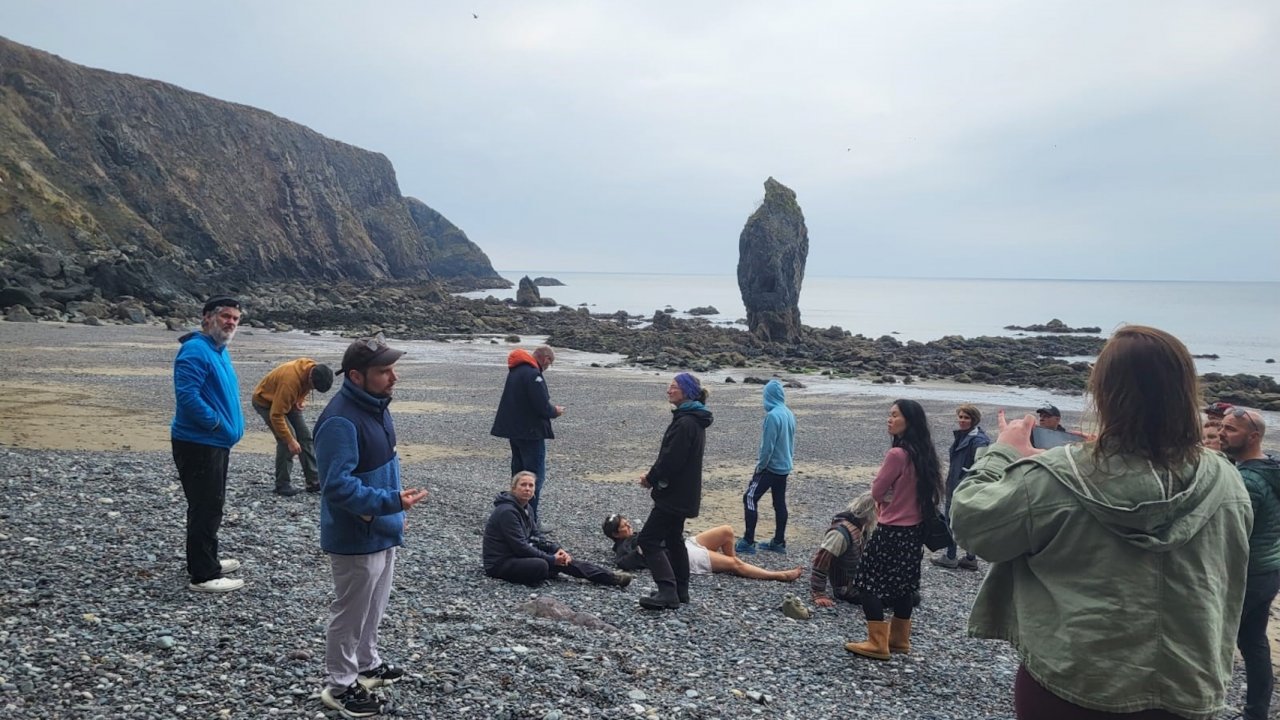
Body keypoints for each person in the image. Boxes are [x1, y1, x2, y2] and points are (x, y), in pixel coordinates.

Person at [952, 325, 1253, 719]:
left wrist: (1003, 454)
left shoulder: (1057, 476)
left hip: (1074, 682)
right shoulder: (1226, 478)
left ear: (1104, 393)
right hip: (1188, 683)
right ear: (1185, 392)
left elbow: (973, 523)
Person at [314, 336, 430, 718]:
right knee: (350, 611)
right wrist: (391, 504)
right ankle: (340, 684)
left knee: (375, 604)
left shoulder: (377, 407)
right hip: (354, 535)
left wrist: (396, 511)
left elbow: (387, 468)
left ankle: (367, 662)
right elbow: (336, 486)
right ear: (356, 376)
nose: (393, 377)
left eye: (392, 369)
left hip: (382, 528)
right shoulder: (339, 419)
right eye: (384, 371)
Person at [845, 399, 943, 660]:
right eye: (889, 415)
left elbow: (877, 491)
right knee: (904, 585)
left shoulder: (897, 454)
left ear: (909, 421)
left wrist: (885, 494)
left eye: (895, 415)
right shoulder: (924, 453)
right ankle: (900, 639)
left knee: (867, 582)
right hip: (915, 531)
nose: (889, 419)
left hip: (891, 529)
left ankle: (877, 642)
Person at [171, 296, 246, 593]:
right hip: (199, 442)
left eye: (235, 319)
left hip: (213, 442)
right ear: (207, 318)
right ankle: (203, 574)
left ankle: (206, 559)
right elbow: (187, 396)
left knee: (209, 504)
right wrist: (216, 424)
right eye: (225, 316)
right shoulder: (195, 351)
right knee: (207, 506)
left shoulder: (218, 350)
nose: (230, 322)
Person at [1218, 407, 1280, 720]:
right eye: (1222, 427)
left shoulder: (1247, 480)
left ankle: (1204, 706)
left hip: (1248, 575)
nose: (1221, 433)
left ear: (1253, 437)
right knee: (1253, 641)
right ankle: (1256, 713)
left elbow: (1231, 536)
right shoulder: (1272, 466)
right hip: (1270, 570)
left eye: (1231, 429)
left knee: (1215, 639)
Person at [636, 372, 713, 610]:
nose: (669, 391)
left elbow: (671, 459)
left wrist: (651, 478)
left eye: (673, 387)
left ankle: (667, 590)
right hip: (684, 493)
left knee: (648, 539)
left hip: (674, 494)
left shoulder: (686, 422)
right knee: (673, 539)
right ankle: (681, 590)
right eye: (669, 386)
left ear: (687, 392)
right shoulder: (691, 419)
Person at [484, 471, 632, 588]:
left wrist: (556, 550)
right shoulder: (507, 511)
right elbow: (519, 546)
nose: (527, 489)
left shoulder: (526, 507)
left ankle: (609, 577)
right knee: (541, 565)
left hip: (519, 555)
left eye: (531, 485)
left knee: (562, 560)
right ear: (514, 488)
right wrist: (550, 559)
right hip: (501, 562)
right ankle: (549, 569)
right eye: (523, 485)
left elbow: (536, 535)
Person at [490, 346, 564, 533]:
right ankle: (531, 521)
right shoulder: (533, 374)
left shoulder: (517, 370)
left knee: (519, 474)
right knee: (533, 478)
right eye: (550, 363)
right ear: (545, 359)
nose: (549, 367)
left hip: (515, 430)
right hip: (530, 432)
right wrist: (554, 411)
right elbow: (541, 405)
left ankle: (513, 517)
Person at [603, 514, 802, 582]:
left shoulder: (631, 536)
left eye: (628, 523)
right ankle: (778, 575)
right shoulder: (624, 546)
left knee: (727, 531)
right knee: (732, 563)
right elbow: (622, 562)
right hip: (682, 556)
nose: (630, 526)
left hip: (683, 544)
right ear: (616, 535)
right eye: (625, 527)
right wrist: (642, 549)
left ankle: (737, 566)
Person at [251, 358, 334, 496]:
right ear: (310, 378)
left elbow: (304, 387)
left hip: (287, 401)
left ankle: (313, 481)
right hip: (265, 402)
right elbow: (276, 415)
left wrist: (301, 399)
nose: (312, 389)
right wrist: (290, 440)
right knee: (286, 441)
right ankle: (282, 484)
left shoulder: (312, 369)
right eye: (313, 387)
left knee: (305, 437)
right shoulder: (289, 382)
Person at [736, 379, 797, 555]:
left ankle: (748, 541)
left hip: (771, 467)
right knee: (779, 503)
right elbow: (791, 442)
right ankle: (778, 541)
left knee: (749, 497)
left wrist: (760, 467)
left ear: (768, 396)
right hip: (785, 467)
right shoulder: (788, 413)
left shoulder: (772, 416)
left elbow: (767, 447)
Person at [932, 404, 990, 570]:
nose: (962, 421)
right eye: (961, 417)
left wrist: (968, 482)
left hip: (963, 486)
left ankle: (951, 557)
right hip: (956, 483)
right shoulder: (964, 436)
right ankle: (970, 558)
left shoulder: (979, 440)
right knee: (965, 521)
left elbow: (981, 465)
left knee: (954, 520)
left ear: (974, 420)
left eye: (966, 417)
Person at [810, 493, 878, 607]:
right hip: (847, 589)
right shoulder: (841, 533)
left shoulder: (862, 527)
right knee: (907, 598)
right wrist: (818, 593)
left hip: (859, 581)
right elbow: (821, 560)